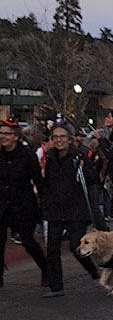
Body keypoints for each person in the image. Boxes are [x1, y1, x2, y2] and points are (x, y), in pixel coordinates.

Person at [39, 124, 100, 297]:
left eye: (62, 136)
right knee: (52, 248)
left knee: (76, 245)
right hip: (55, 209)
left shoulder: (78, 156)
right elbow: (46, 182)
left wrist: (84, 167)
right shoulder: (50, 157)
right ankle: (56, 286)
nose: (59, 140)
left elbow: (92, 178)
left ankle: (92, 271)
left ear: (69, 139)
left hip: (75, 208)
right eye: (55, 137)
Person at [0, 119, 48, 287]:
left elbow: (38, 180)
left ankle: (45, 269)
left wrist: (43, 203)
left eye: (6, 134)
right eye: (1, 133)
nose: (2, 137)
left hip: (23, 205)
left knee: (28, 241)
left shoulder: (26, 155)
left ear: (15, 137)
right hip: (3, 204)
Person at [82, 136, 110, 231]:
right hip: (96, 179)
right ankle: (100, 222)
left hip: (95, 180)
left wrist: (101, 173)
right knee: (95, 203)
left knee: (94, 204)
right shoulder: (95, 154)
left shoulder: (96, 154)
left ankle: (100, 224)